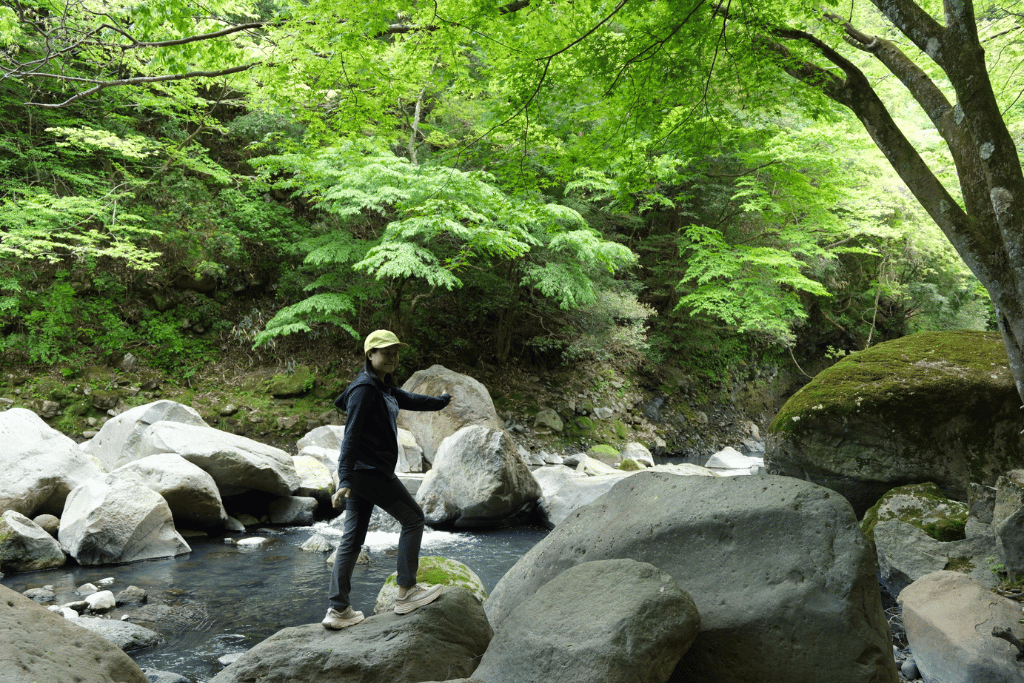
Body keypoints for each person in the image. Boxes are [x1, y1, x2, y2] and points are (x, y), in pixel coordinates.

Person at [322, 329, 452, 630]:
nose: (392, 356)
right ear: (370, 355)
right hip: (367, 473)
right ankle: (406, 591)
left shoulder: (384, 387)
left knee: (352, 540)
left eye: (395, 351)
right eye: (385, 351)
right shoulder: (363, 390)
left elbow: (411, 399)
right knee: (413, 519)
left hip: (364, 474)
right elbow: (350, 437)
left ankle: (338, 609)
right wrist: (343, 479)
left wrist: (440, 402)